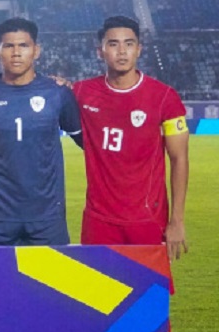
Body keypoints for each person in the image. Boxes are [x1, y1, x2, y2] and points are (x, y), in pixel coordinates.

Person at [75, 16, 189, 254]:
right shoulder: (83, 92)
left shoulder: (165, 97)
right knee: (97, 290)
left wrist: (177, 220)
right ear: (101, 51)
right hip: (98, 219)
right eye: (113, 44)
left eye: (129, 43)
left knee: (148, 291)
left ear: (139, 49)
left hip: (147, 217)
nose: (122, 51)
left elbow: (179, 159)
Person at [0, 17, 82, 246]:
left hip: (47, 217)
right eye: (8, 46)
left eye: (24, 45)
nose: (16, 53)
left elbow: (89, 143)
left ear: (36, 50)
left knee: (51, 282)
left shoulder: (58, 93)